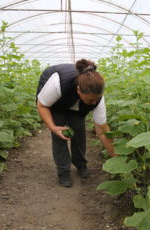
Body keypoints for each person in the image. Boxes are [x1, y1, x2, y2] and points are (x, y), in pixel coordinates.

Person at [36, 59, 116, 187]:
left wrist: (116, 156)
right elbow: (42, 105)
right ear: (79, 90)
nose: (94, 103)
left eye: (97, 99)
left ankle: (81, 165)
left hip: (78, 107)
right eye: (91, 99)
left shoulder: (97, 98)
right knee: (60, 134)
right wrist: (52, 127)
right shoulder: (58, 83)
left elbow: (102, 131)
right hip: (56, 104)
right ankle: (63, 171)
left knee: (78, 130)